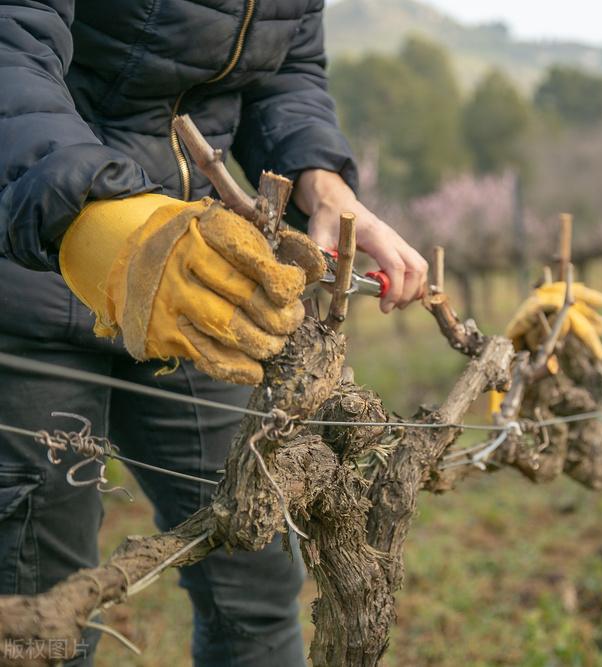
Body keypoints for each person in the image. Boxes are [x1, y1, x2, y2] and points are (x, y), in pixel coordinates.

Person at [0, 1, 427, 664]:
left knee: (256, 584)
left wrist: (324, 180)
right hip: (34, 261)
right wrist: (94, 211)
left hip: (200, 280)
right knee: (39, 621)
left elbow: (286, 72)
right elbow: (11, 37)